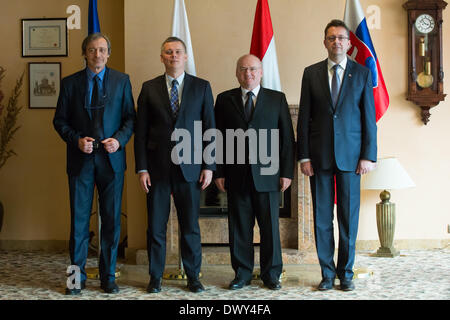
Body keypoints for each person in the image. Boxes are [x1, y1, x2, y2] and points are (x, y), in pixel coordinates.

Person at [297, 19, 377, 291]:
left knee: (347, 218)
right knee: (322, 218)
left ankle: (346, 273)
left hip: (352, 159)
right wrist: (303, 156)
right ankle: (327, 274)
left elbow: (369, 119)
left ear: (348, 42)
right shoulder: (311, 73)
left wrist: (368, 155)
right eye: (331, 38)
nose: (337, 42)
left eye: (341, 38)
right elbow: (304, 118)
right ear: (325, 42)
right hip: (318, 158)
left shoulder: (362, 74)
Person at [53, 33, 136, 295]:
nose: (97, 54)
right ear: (85, 53)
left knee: (111, 222)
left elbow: (130, 119)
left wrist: (120, 141)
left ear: (108, 54)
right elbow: (60, 121)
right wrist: (76, 140)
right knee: (78, 223)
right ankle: (75, 280)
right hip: (81, 161)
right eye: (92, 50)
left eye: (102, 50)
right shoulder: (69, 84)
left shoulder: (122, 81)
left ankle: (108, 277)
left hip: (111, 162)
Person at [134, 37, 215, 293]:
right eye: (168, 52)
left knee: (190, 226)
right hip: (157, 169)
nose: (173, 56)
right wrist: (142, 168)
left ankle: (193, 276)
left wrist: (209, 166)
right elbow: (141, 131)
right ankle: (155, 276)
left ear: (186, 56)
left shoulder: (202, 87)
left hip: (190, 169)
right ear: (162, 57)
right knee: (156, 226)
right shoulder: (148, 88)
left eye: (178, 52)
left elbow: (210, 130)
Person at [214, 54, 295, 291]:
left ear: (260, 72)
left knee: (269, 227)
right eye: (243, 69)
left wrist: (287, 172)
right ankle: (242, 273)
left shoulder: (276, 99)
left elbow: (287, 140)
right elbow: (217, 139)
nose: (248, 73)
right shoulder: (224, 99)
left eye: (252, 69)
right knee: (239, 228)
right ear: (237, 73)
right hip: (236, 175)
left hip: (268, 175)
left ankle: (271, 274)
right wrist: (218, 171)